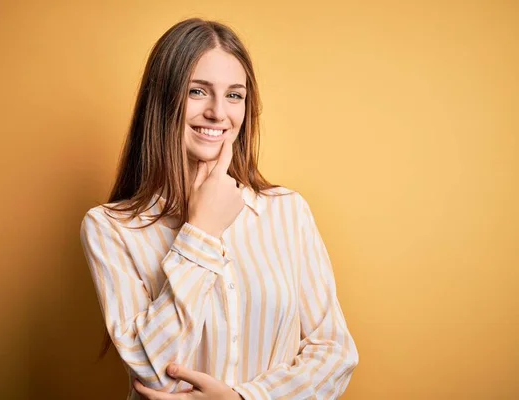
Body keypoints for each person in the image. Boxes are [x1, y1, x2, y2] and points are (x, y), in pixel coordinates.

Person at [80, 18, 359, 400]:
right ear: (162, 100)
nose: (217, 112)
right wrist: (201, 231)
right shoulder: (110, 228)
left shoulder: (287, 213)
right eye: (197, 91)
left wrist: (244, 398)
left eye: (234, 95)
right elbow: (151, 369)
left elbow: (335, 352)